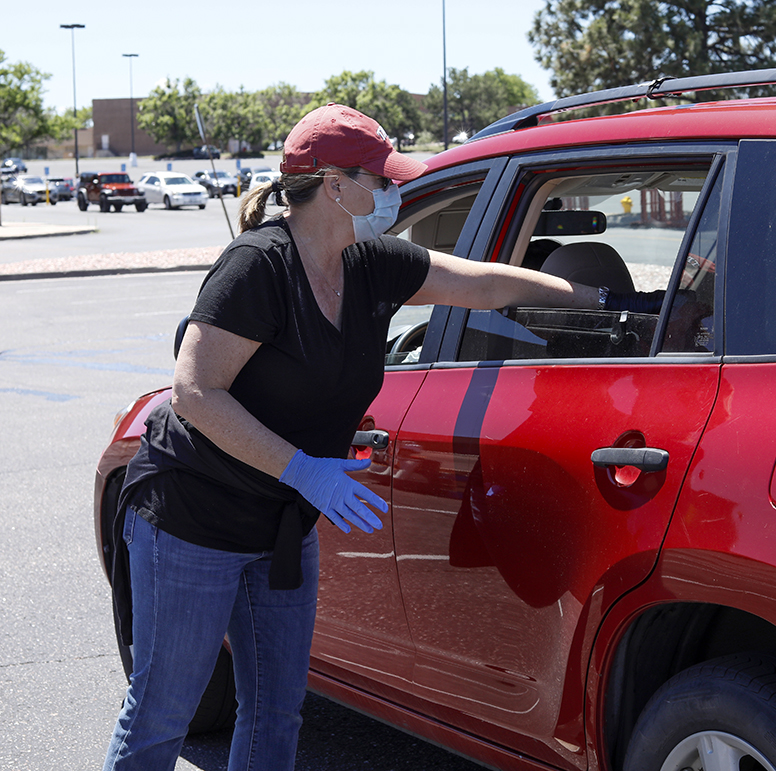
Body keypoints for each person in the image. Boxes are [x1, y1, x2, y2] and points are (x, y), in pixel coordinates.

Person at [101, 103, 619, 771]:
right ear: (335, 185)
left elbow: (484, 285)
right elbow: (194, 393)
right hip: (191, 519)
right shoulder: (259, 266)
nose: (392, 194)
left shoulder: (371, 265)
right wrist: (303, 470)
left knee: (276, 712)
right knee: (161, 715)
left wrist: (604, 301)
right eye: (381, 181)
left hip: (280, 528)